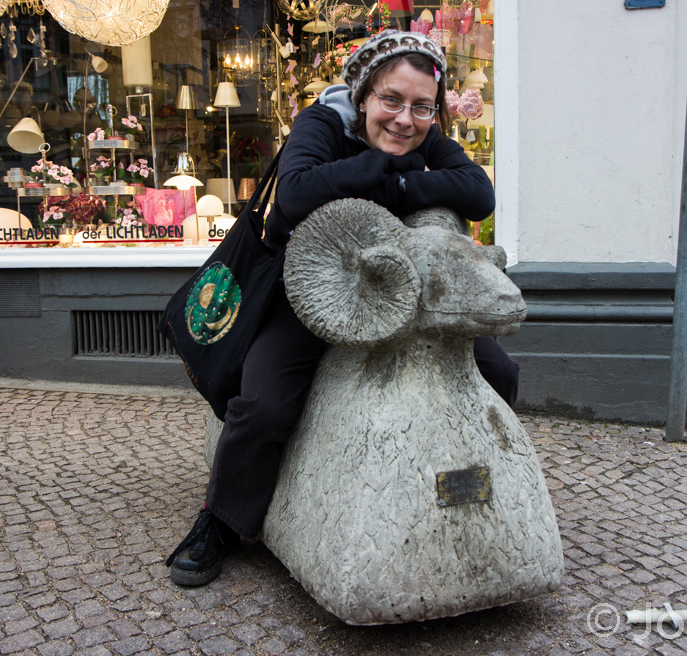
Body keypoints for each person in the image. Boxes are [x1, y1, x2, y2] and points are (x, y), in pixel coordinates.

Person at [165, 29, 520, 587]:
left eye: (422, 106)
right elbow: (299, 195)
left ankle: (471, 490)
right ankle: (221, 521)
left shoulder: (423, 137)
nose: (405, 119)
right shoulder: (321, 124)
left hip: (398, 292)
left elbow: (478, 193)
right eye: (392, 101)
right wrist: (397, 174)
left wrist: (392, 185)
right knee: (262, 404)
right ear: (363, 96)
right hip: (312, 293)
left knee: (498, 370)